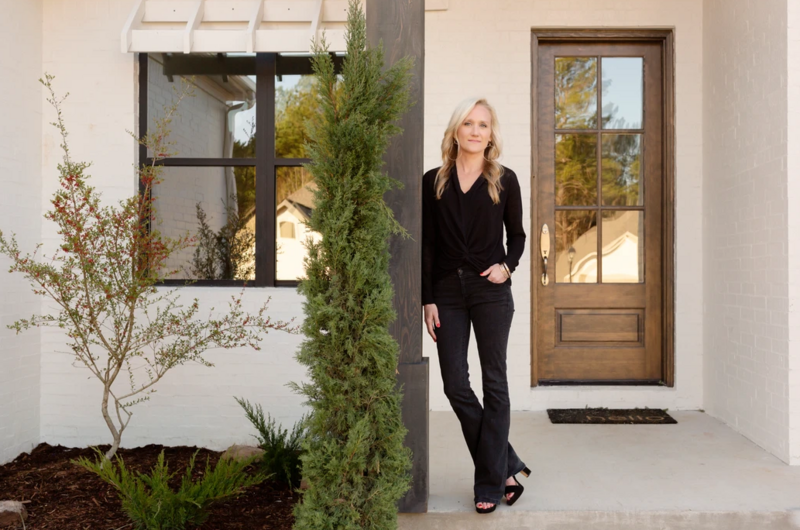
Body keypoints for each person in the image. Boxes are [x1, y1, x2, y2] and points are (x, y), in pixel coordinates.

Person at [422, 97, 530, 514]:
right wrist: (427, 297)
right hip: (447, 293)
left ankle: (489, 483)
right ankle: (507, 462)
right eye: (467, 123)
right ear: (455, 131)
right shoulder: (434, 181)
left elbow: (518, 236)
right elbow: (428, 246)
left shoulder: (505, 180)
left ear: (491, 134)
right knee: (455, 384)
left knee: (495, 384)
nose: (474, 130)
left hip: (490, 292)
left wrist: (508, 266)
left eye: (482, 124)